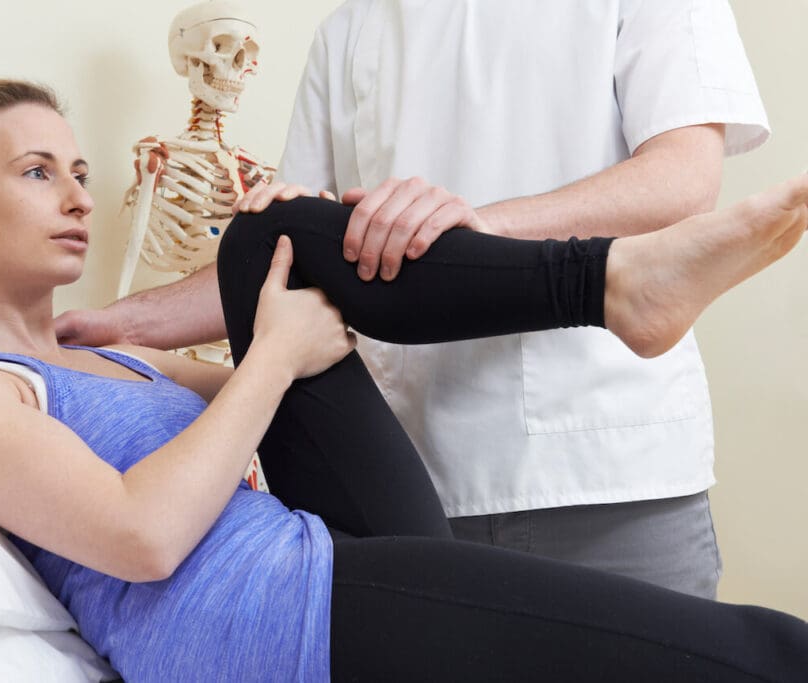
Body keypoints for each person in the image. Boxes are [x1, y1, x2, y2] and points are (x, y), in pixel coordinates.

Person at [0, 80, 808, 682]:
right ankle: (613, 284)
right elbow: (139, 537)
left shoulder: (111, 356)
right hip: (253, 622)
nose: (78, 196)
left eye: (80, 170)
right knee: (747, 653)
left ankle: (613, 285)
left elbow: (314, 367)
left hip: (315, 557)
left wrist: (306, 266)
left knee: (270, 237)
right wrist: (264, 356)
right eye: (35, 171)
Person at [56, 0, 771, 599]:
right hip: (411, 483)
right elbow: (287, 256)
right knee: (265, 229)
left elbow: (682, 180)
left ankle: (611, 289)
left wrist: (475, 231)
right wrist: (122, 321)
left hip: (612, 468)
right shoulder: (351, 30)